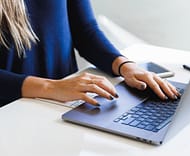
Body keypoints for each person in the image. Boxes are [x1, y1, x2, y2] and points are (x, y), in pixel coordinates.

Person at [0, 0, 180, 107]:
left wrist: (125, 66)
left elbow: (84, 30)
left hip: (65, 105)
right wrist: (50, 87)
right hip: (11, 111)